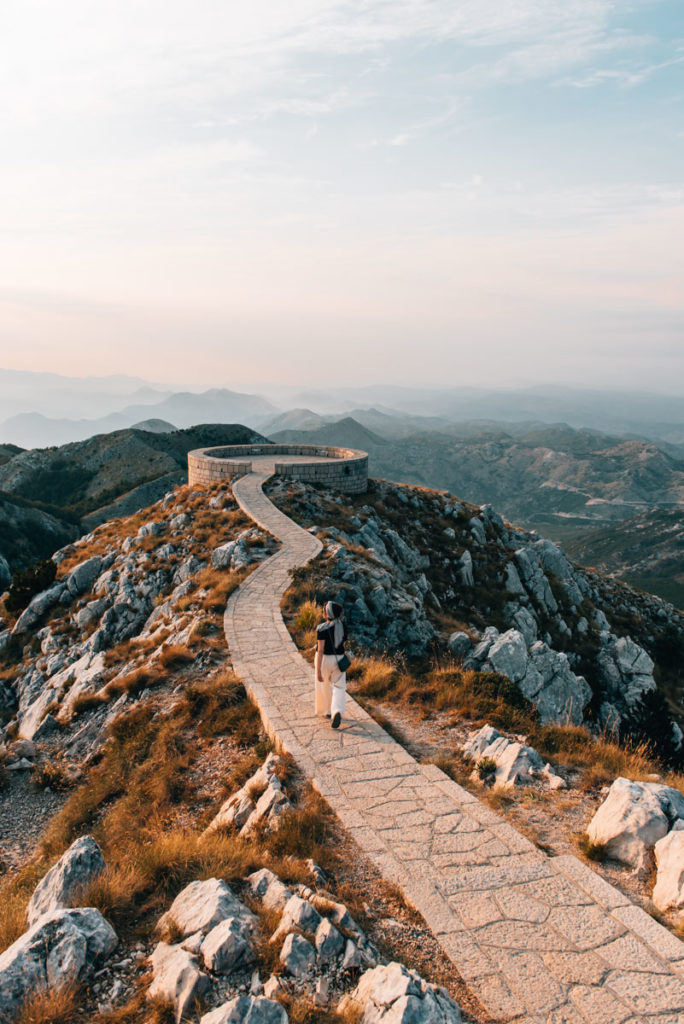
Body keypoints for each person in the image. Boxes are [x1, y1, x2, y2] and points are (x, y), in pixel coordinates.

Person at [315, 600, 347, 729]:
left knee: (323, 685)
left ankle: (327, 711)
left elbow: (321, 649)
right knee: (339, 686)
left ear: (327, 614)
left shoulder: (321, 628)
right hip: (339, 659)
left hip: (324, 660)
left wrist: (317, 670)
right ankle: (337, 711)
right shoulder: (343, 626)